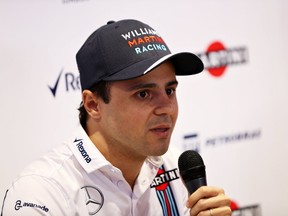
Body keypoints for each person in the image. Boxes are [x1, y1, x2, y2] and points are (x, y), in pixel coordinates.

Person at [1, 19, 231, 216]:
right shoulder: (41, 192)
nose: (166, 109)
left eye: (169, 91)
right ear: (93, 104)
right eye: (143, 94)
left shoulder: (175, 166)